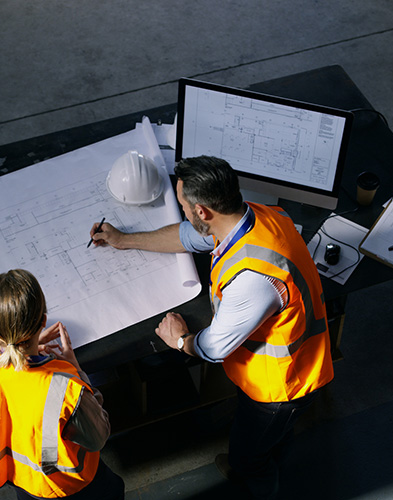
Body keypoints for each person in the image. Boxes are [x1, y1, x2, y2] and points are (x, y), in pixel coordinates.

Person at [90, 156, 334, 499]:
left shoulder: (254, 279)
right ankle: (268, 453)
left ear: (203, 210)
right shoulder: (254, 216)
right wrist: (124, 239)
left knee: (250, 456)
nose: (183, 213)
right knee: (271, 439)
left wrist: (180, 341)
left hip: (281, 387)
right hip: (287, 366)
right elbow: (188, 236)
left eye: (183, 206)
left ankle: (259, 480)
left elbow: (214, 348)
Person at [0, 269, 125, 500]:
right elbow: (98, 436)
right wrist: (76, 369)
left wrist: (25, 349)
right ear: (43, 321)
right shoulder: (65, 391)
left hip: (20, 482)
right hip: (69, 489)